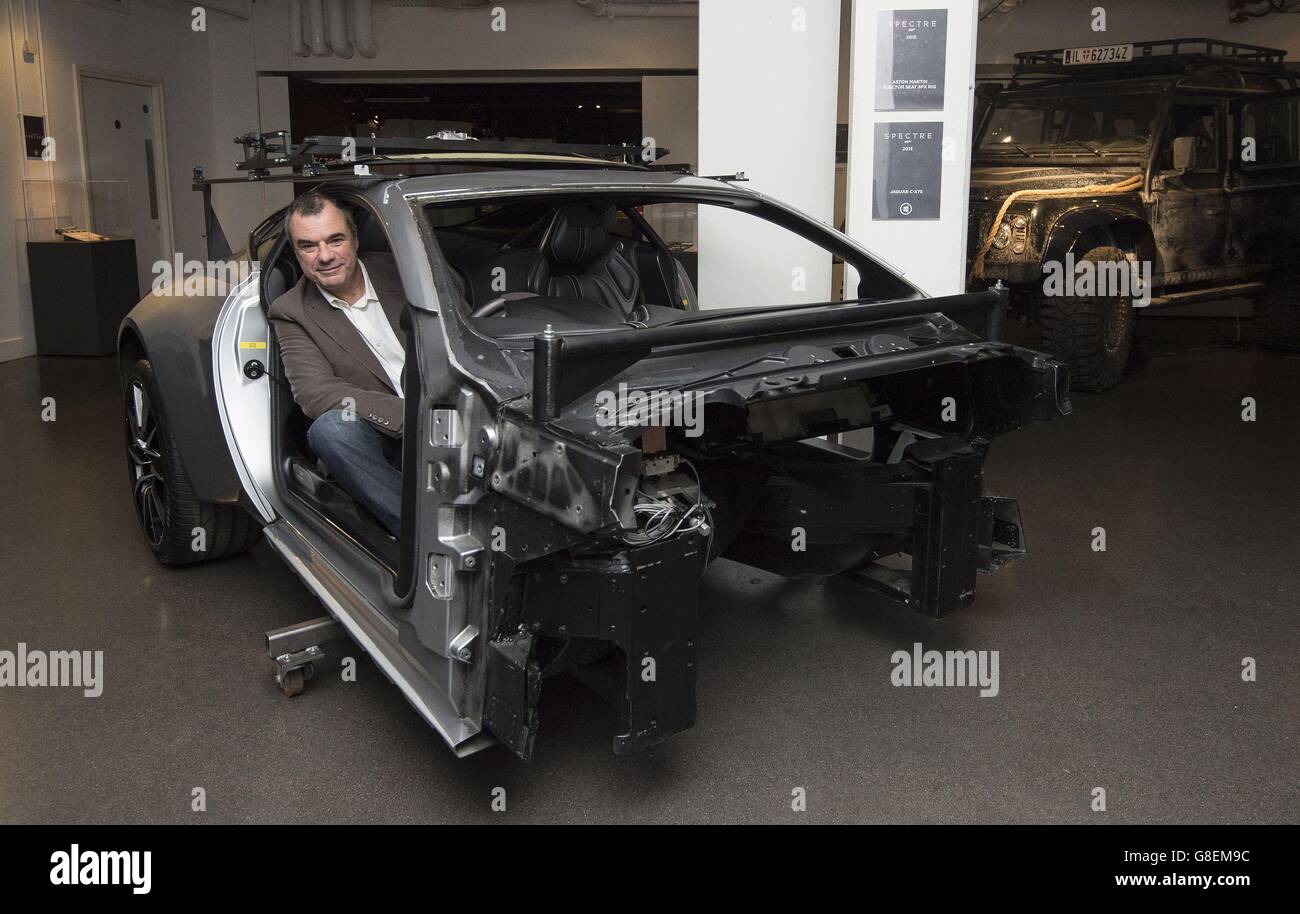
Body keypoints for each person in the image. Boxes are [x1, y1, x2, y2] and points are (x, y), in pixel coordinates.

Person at [268, 190, 409, 536]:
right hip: (386, 435)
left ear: (355, 239)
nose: (325, 256)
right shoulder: (291, 311)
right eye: (308, 245)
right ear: (296, 252)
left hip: (458, 412)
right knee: (331, 429)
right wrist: (414, 416)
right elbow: (317, 394)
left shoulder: (405, 272)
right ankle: (418, 532)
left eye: (335, 240)